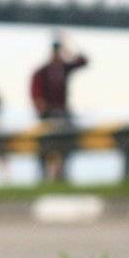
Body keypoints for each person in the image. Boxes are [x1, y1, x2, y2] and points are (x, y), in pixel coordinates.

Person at [30, 39, 89, 180]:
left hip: (62, 114)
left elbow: (84, 61)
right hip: (48, 116)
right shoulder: (43, 71)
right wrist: (42, 108)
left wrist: (68, 48)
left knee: (65, 146)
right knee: (46, 148)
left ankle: (60, 175)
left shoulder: (63, 69)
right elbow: (36, 94)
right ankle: (46, 176)